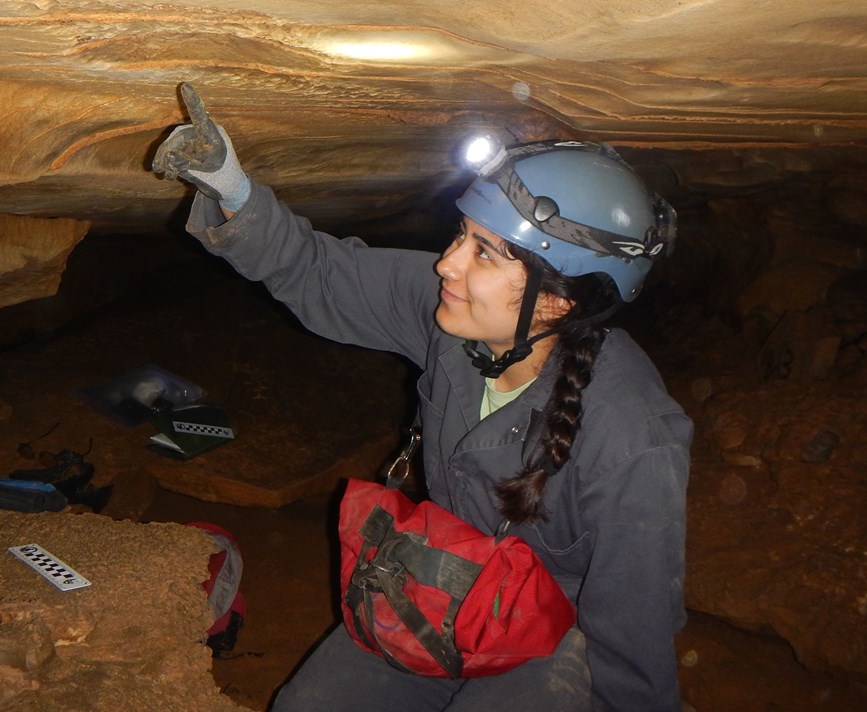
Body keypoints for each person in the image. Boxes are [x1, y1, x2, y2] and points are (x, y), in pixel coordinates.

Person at [152, 88, 693, 711]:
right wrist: (233, 188)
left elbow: (635, 627)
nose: (446, 264)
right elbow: (317, 270)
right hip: (436, 583)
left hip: (550, 637)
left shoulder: (633, 435)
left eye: (483, 253)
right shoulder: (458, 319)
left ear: (558, 300)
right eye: (460, 235)